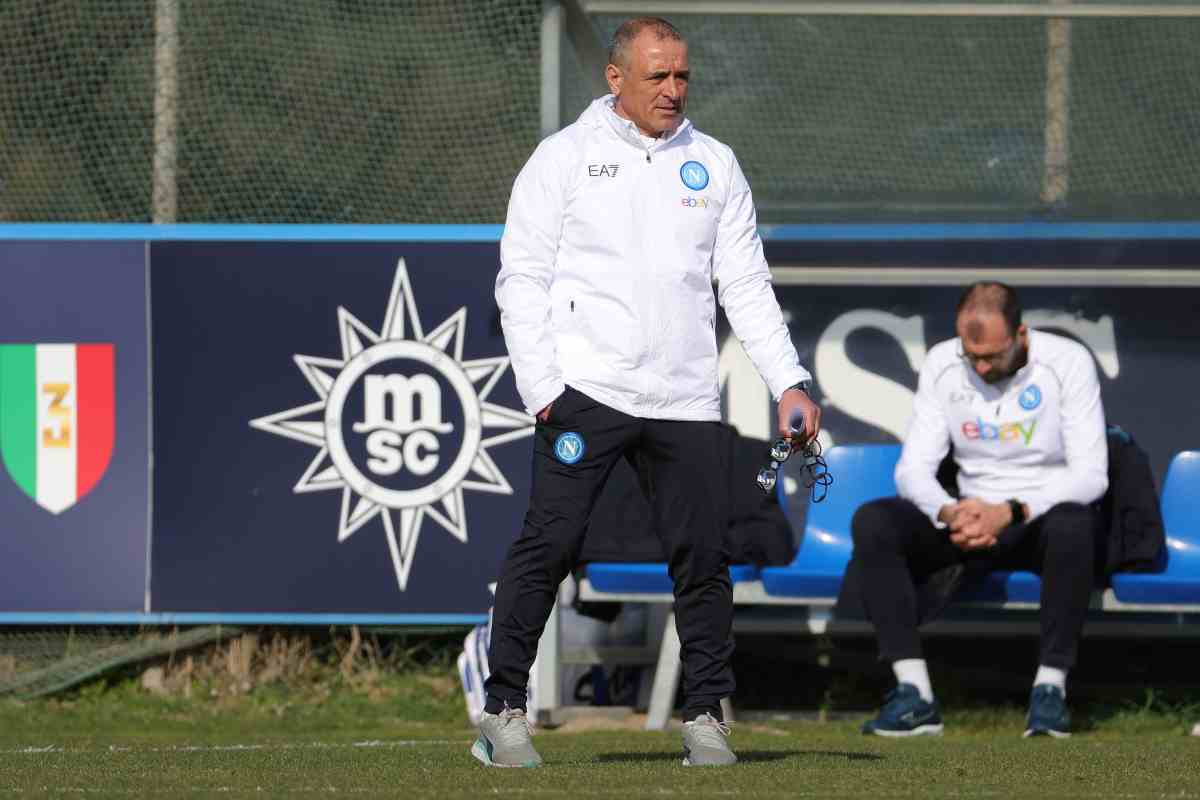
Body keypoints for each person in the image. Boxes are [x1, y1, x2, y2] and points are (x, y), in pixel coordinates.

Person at [474, 16, 820, 768]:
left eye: (682, 76)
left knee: (703, 555)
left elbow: (746, 285)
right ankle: (503, 709)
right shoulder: (561, 159)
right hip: (584, 393)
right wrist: (543, 389)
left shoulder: (716, 164)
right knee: (551, 543)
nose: (673, 90)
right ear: (615, 78)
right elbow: (521, 279)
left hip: (685, 400)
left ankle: (704, 716)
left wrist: (789, 379)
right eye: (657, 76)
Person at [848, 281, 1107, 739]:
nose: (982, 366)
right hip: (967, 518)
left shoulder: (1068, 361)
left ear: (1021, 333)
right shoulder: (943, 363)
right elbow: (912, 471)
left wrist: (1011, 509)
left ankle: (1050, 692)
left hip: (1037, 517)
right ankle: (914, 695)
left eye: (993, 356)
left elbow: (1091, 475)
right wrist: (951, 513)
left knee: (1076, 522)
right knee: (874, 521)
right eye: (974, 357)